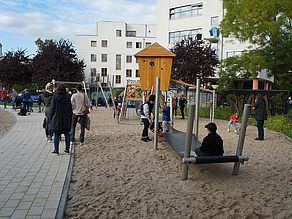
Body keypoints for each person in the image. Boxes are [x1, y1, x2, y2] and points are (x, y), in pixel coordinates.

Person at [49, 84, 72, 154]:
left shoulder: (55, 97)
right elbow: (70, 108)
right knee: (67, 133)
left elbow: (52, 108)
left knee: (56, 134)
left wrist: (51, 116)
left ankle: (56, 150)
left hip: (57, 117)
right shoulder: (67, 97)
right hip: (66, 117)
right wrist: (70, 116)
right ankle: (67, 149)